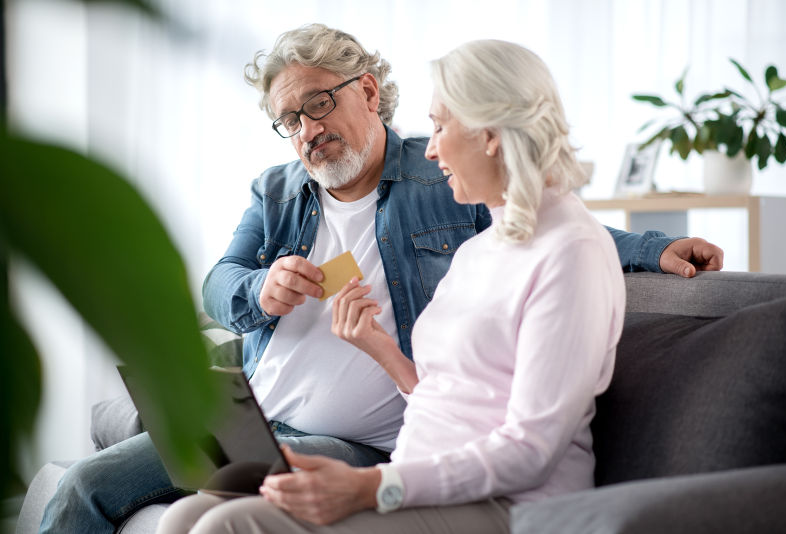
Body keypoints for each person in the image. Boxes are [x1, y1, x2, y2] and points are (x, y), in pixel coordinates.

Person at [38, 24, 723, 534]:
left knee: (205, 519)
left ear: (366, 90)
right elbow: (220, 284)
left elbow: (542, 222)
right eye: (288, 121)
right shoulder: (279, 193)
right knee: (91, 489)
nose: (306, 130)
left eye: (317, 105)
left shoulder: (444, 179)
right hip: (258, 417)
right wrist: (258, 288)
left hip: (357, 441)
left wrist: (654, 247)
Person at [156, 37, 628, 533]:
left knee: (224, 526)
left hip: (508, 500)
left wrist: (372, 486)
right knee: (185, 515)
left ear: (490, 133)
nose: (432, 149)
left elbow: (530, 450)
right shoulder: (483, 248)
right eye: (292, 120)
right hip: (411, 475)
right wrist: (379, 347)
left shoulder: (571, 250)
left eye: (441, 126)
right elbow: (446, 399)